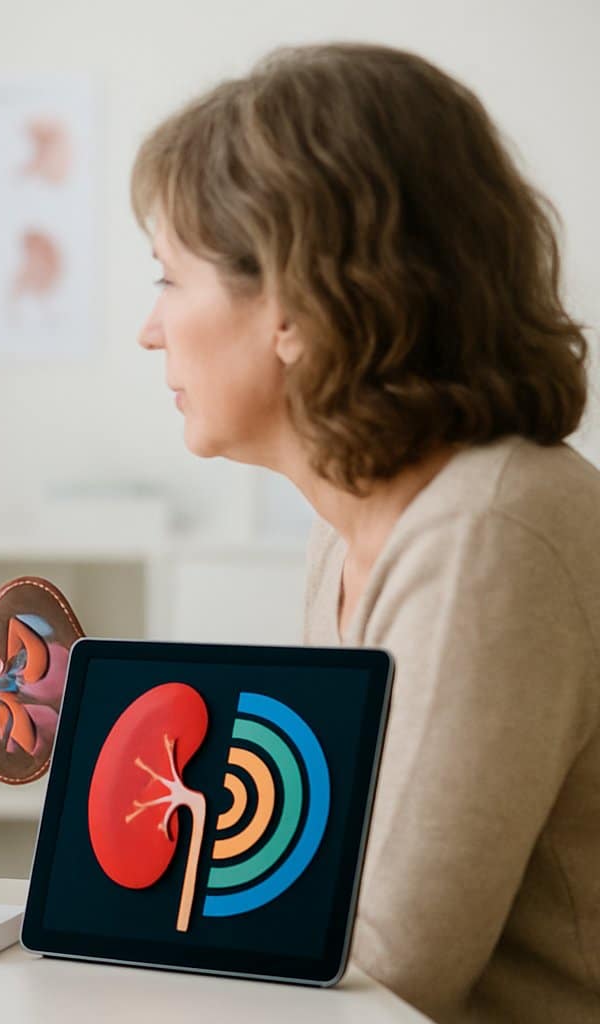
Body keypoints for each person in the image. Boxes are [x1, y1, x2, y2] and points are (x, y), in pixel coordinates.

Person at [131, 44, 599, 1024]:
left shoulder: (488, 533)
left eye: (170, 279)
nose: (150, 329)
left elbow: (390, 968)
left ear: (294, 308)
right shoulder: (351, 520)